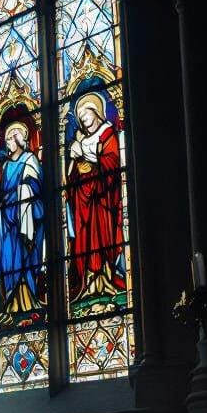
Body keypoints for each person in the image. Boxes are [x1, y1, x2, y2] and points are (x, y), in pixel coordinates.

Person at [66, 91, 126, 302]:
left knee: (102, 235)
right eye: (80, 116)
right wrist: (75, 161)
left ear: (96, 111)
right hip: (83, 199)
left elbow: (112, 163)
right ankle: (90, 280)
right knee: (85, 238)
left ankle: (105, 278)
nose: (83, 118)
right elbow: (72, 175)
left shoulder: (108, 133)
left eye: (86, 113)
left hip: (102, 197)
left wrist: (86, 156)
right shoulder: (81, 138)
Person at [0, 120, 44, 323]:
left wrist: (24, 190)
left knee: (25, 257)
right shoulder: (5, 166)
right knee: (8, 259)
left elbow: (36, 185)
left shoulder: (30, 159)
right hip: (6, 221)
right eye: (9, 137)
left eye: (16, 135)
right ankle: (11, 303)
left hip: (25, 214)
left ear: (25, 138)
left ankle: (29, 301)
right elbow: (1, 192)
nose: (12, 140)